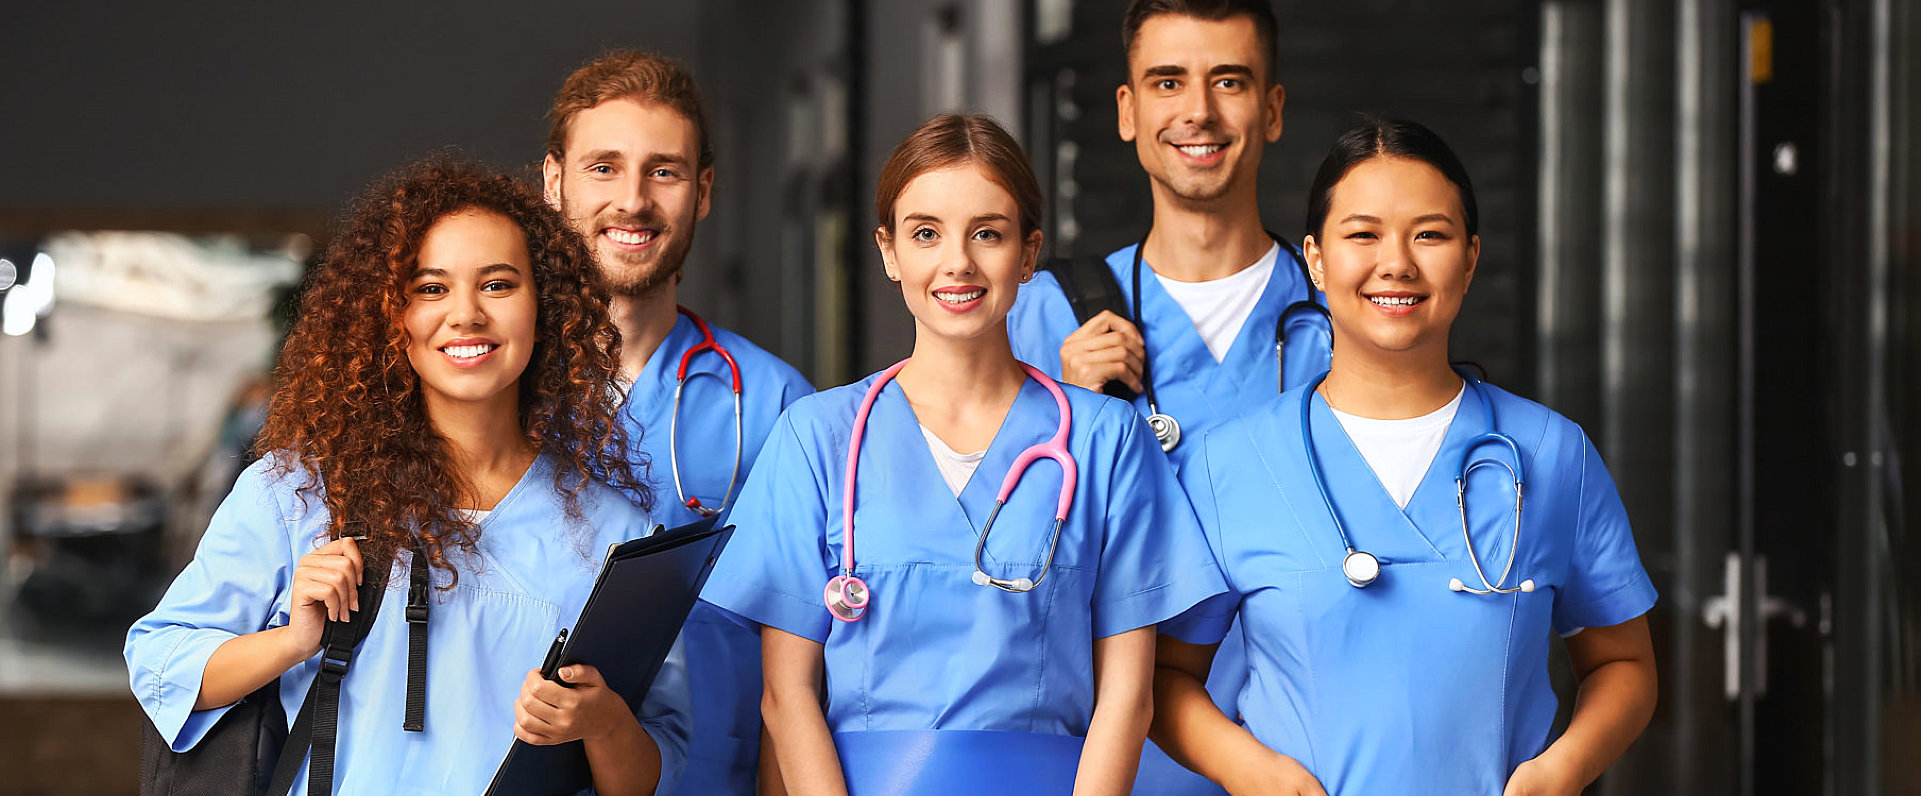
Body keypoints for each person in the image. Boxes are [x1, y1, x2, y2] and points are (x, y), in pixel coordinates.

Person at [126, 158, 690, 796]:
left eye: (499, 285)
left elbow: (649, 775)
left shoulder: (614, 533)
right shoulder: (299, 493)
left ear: (547, 305)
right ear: (390, 314)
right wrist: (292, 640)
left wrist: (603, 722)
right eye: (430, 288)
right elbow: (161, 665)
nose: (466, 315)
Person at [701, 113, 1226, 796]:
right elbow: (785, 696)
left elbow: (1127, 701)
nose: (958, 262)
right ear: (888, 252)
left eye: (988, 233)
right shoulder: (817, 436)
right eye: (925, 234)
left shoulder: (1104, 439)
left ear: (1028, 254)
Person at [1152, 119, 1659, 796]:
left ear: (1470, 257)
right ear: (1315, 258)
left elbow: (1623, 663)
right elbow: (1164, 677)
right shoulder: (1229, 461)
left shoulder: (1548, 452)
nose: (1396, 262)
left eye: (1429, 234)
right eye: (1362, 234)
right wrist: (1252, 772)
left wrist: (1559, 773)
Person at [1003, 3, 1329, 791]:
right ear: (1127, 110)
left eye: (1229, 81)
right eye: (1167, 81)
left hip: (1312, 763)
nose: (1198, 112)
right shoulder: (1044, 315)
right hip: (1112, 766)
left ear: (1273, 110)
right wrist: (1064, 418)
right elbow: (982, 569)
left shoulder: (1341, 319)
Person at [541, 50, 815, 796]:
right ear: (552, 180)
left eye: (663, 171)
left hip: (707, 777)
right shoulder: (491, 385)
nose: (632, 200)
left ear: (702, 192)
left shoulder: (773, 403)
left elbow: (809, 651)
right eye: (604, 167)